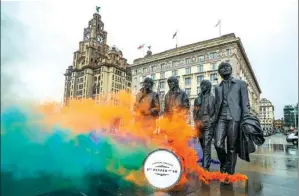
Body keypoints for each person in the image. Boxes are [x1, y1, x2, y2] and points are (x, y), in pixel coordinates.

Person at [213, 62, 250, 180]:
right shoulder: (217, 87)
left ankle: (230, 172)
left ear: (231, 68)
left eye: (226, 66)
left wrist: (246, 118)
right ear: (219, 72)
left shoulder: (241, 84)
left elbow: (245, 103)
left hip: (235, 117)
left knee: (232, 146)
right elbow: (216, 104)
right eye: (221, 68)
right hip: (221, 117)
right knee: (218, 144)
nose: (224, 69)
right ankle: (224, 163)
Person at [193, 80, 216, 171]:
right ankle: (206, 161)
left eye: (204, 85)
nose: (202, 87)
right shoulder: (197, 99)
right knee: (202, 144)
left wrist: (211, 121)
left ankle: (205, 167)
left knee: (207, 144)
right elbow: (194, 112)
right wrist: (196, 122)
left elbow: (216, 112)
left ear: (208, 86)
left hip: (208, 123)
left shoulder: (213, 98)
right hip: (199, 124)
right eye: (201, 85)